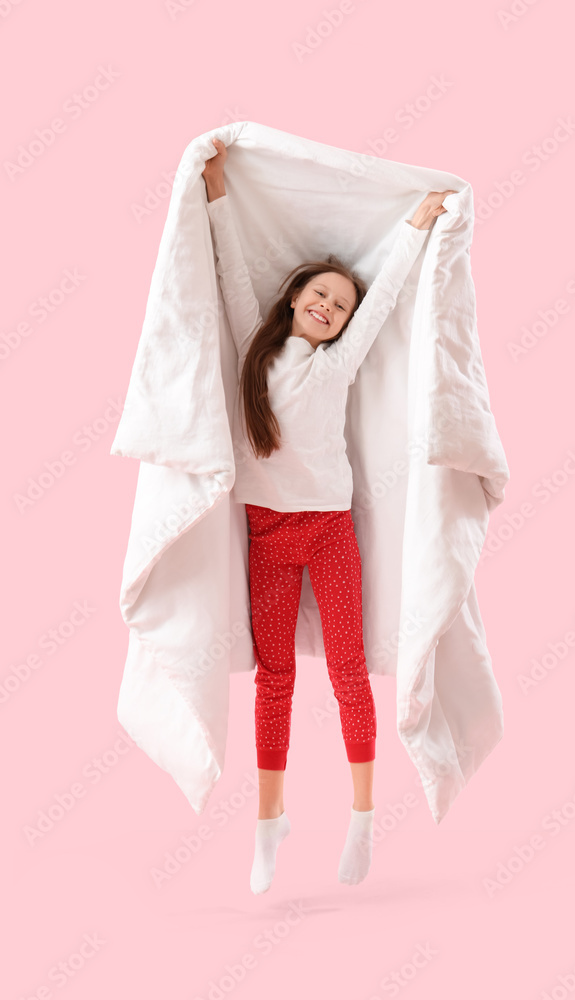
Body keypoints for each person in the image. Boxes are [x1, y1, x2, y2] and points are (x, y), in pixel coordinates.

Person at [202, 137, 455, 894]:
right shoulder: (257, 344)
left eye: (338, 307)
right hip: (267, 532)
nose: (329, 307)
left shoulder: (337, 362)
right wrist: (216, 188)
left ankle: (362, 818)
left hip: (327, 529)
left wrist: (416, 221)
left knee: (349, 674)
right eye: (319, 295)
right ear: (292, 298)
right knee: (273, 679)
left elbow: (381, 301)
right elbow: (227, 265)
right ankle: (268, 822)